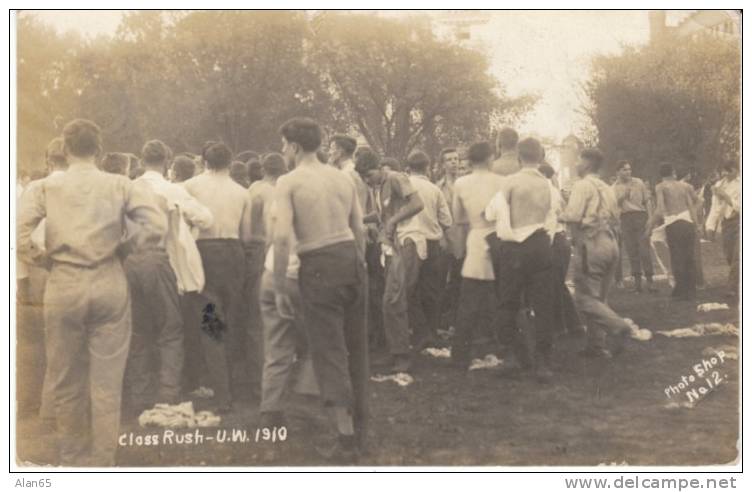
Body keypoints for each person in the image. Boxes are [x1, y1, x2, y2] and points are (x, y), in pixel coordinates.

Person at [17, 119, 166, 465]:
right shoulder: (120, 184)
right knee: (106, 381)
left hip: (65, 281)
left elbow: (17, 234)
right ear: (99, 150)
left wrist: (43, 260)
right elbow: (157, 224)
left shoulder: (44, 188)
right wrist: (125, 249)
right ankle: (103, 461)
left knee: (66, 376)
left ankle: (72, 455)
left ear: (65, 149)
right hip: (108, 278)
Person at [274, 117, 368, 460]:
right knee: (357, 348)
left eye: (284, 145)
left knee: (329, 351)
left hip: (318, 265)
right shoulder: (342, 179)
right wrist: (359, 266)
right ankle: (361, 427)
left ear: (295, 146)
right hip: (350, 260)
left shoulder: (289, 181)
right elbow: (358, 228)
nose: (282, 151)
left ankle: (345, 437)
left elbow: (282, 237)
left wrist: (281, 284)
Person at [123, 140, 214, 415]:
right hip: (158, 260)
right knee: (170, 329)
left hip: (129, 261)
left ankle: (139, 393)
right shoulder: (172, 189)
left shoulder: (128, 187)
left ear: (141, 159)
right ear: (166, 161)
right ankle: (168, 392)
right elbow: (206, 218)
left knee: (138, 329)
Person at [183, 141, 254, 413]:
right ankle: (235, 385)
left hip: (205, 253)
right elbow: (247, 236)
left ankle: (221, 393)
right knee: (233, 317)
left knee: (210, 321)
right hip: (233, 253)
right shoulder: (242, 192)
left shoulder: (191, 187)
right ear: (231, 162)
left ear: (204, 161)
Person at [484, 138, 556, 381]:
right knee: (544, 304)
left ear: (518, 157)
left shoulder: (511, 182)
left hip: (515, 247)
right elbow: (554, 214)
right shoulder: (548, 184)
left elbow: (491, 212)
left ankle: (514, 356)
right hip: (540, 243)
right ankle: (543, 361)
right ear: (540, 157)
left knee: (508, 302)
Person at [357, 148, 424, 374]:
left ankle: (402, 356)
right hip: (391, 245)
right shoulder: (378, 187)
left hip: (407, 241)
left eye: (369, 175)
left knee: (393, 299)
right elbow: (380, 215)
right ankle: (397, 351)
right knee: (391, 299)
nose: (368, 181)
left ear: (378, 168)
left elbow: (417, 204)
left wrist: (394, 220)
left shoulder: (396, 178)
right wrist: (358, 219)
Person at [560, 148, 630, 359]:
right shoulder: (608, 187)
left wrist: (558, 212)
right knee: (600, 297)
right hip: (611, 242)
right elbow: (616, 216)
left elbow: (572, 215)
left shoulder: (581, 185)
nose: (576, 164)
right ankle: (596, 346)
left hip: (591, 243)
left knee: (583, 298)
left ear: (588, 163)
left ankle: (619, 327)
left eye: (579, 160)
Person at [450, 142, 505, 369]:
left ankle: (460, 353)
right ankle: (502, 346)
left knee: (469, 300)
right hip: (497, 238)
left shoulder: (461, 183)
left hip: (475, 236)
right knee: (502, 296)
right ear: (490, 157)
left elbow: (458, 217)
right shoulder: (501, 181)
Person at [243, 152, 287, 399]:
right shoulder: (285, 189)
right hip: (284, 252)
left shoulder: (256, 190)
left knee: (254, 316)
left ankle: (257, 377)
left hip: (260, 251)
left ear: (263, 169)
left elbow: (247, 229)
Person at [401, 150, 453, 349]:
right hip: (432, 243)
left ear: (408, 168)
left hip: (410, 242)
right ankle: (430, 332)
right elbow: (447, 221)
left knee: (410, 290)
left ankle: (420, 332)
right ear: (428, 168)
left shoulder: (403, 186)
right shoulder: (434, 189)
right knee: (431, 291)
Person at [646, 163, 700, 301]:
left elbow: (660, 208)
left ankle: (681, 290)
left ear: (662, 175)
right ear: (673, 172)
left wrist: (650, 225)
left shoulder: (661, 186)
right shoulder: (686, 186)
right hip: (687, 221)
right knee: (689, 256)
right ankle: (691, 290)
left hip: (673, 223)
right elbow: (697, 201)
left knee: (677, 257)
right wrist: (695, 221)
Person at [611, 160, 656, 293]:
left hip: (640, 216)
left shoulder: (638, 182)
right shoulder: (614, 187)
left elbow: (647, 200)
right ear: (618, 172)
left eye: (629, 169)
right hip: (625, 218)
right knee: (632, 251)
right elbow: (614, 206)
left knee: (644, 249)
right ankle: (637, 283)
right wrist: (623, 196)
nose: (628, 172)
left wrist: (650, 218)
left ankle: (650, 281)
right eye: (624, 170)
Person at [434, 148, 465, 332]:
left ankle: (458, 321)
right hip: (446, 239)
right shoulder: (438, 187)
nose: (454, 162)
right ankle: (443, 322)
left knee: (460, 281)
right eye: (449, 160)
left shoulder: (465, 184)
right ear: (443, 164)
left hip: (464, 238)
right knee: (443, 281)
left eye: (456, 159)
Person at [705, 162, 740, 301]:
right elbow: (716, 207)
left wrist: (727, 197)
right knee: (730, 256)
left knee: (739, 256)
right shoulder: (719, 185)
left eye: (729, 171)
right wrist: (710, 226)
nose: (726, 174)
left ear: (736, 170)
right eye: (724, 172)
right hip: (727, 224)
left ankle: (732, 288)